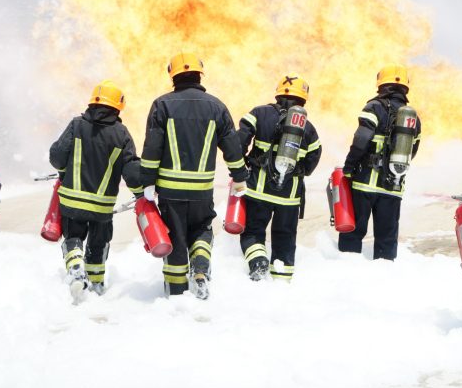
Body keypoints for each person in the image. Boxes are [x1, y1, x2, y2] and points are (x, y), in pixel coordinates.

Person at [140, 53, 248, 299]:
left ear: (173, 75)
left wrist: (147, 181)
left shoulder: (162, 105)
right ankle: (200, 269)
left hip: (170, 191)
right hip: (201, 190)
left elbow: (152, 148)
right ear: (199, 75)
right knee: (201, 229)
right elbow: (232, 148)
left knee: (175, 238)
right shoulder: (217, 107)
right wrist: (240, 176)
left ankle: (176, 293)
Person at [49, 80, 141, 300]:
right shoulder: (121, 134)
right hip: (102, 207)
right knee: (98, 245)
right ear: (118, 106)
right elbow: (131, 171)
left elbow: (57, 157)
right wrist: (141, 192)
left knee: (73, 238)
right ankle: (97, 286)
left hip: (72, 202)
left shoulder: (76, 125)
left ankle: (75, 268)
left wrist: (64, 171)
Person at [236, 74, 322, 280]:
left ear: (278, 93)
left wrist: (243, 164)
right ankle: (281, 281)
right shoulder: (309, 129)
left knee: (253, 232)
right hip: (289, 198)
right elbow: (313, 159)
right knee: (285, 239)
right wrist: (298, 171)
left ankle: (258, 261)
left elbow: (238, 141)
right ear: (303, 99)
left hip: (258, 191)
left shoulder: (259, 113)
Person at [338, 64, 422, 261]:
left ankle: (347, 271)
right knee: (387, 239)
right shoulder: (414, 118)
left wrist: (349, 167)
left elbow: (361, 140)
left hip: (364, 184)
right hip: (393, 186)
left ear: (381, 84)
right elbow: (412, 151)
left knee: (353, 234)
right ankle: (383, 273)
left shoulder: (374, 107)